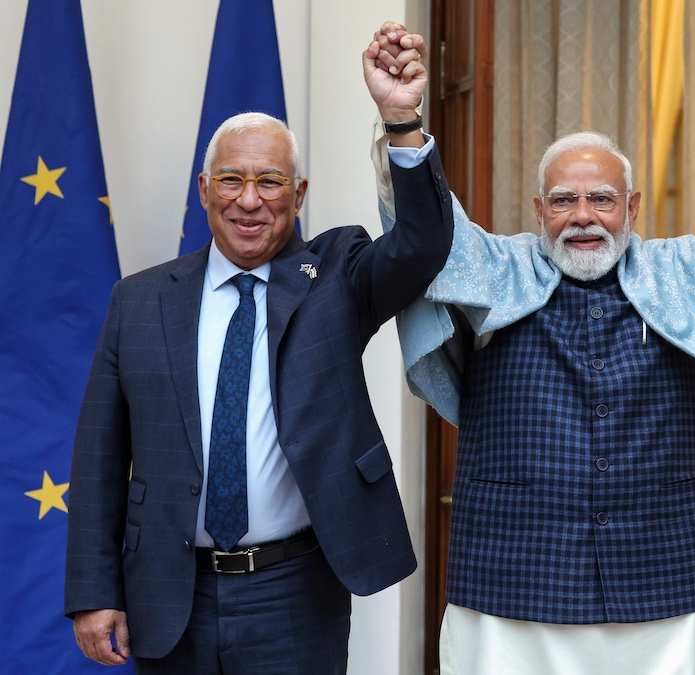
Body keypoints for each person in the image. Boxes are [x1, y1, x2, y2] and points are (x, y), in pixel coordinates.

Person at [371, 60, 695, 671]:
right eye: (564, 200)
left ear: (632, 206)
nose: (583, 216)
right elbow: (424, 228)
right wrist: (403, 122)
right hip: (514, 576)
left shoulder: (685, 270)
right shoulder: (494, 267)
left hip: (667, 573)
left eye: (601, 199)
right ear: (538, 209)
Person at [64, 23, 451, 674]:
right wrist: (95, 592)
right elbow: (101, 456)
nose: (250, 200)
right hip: (169, 588)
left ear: (299, 196)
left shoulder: (336, 277)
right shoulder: (140, 300)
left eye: (270, 182)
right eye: (232, 180)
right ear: (204, 190)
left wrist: (401, 119)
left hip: (294, 591)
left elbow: (422, 245)